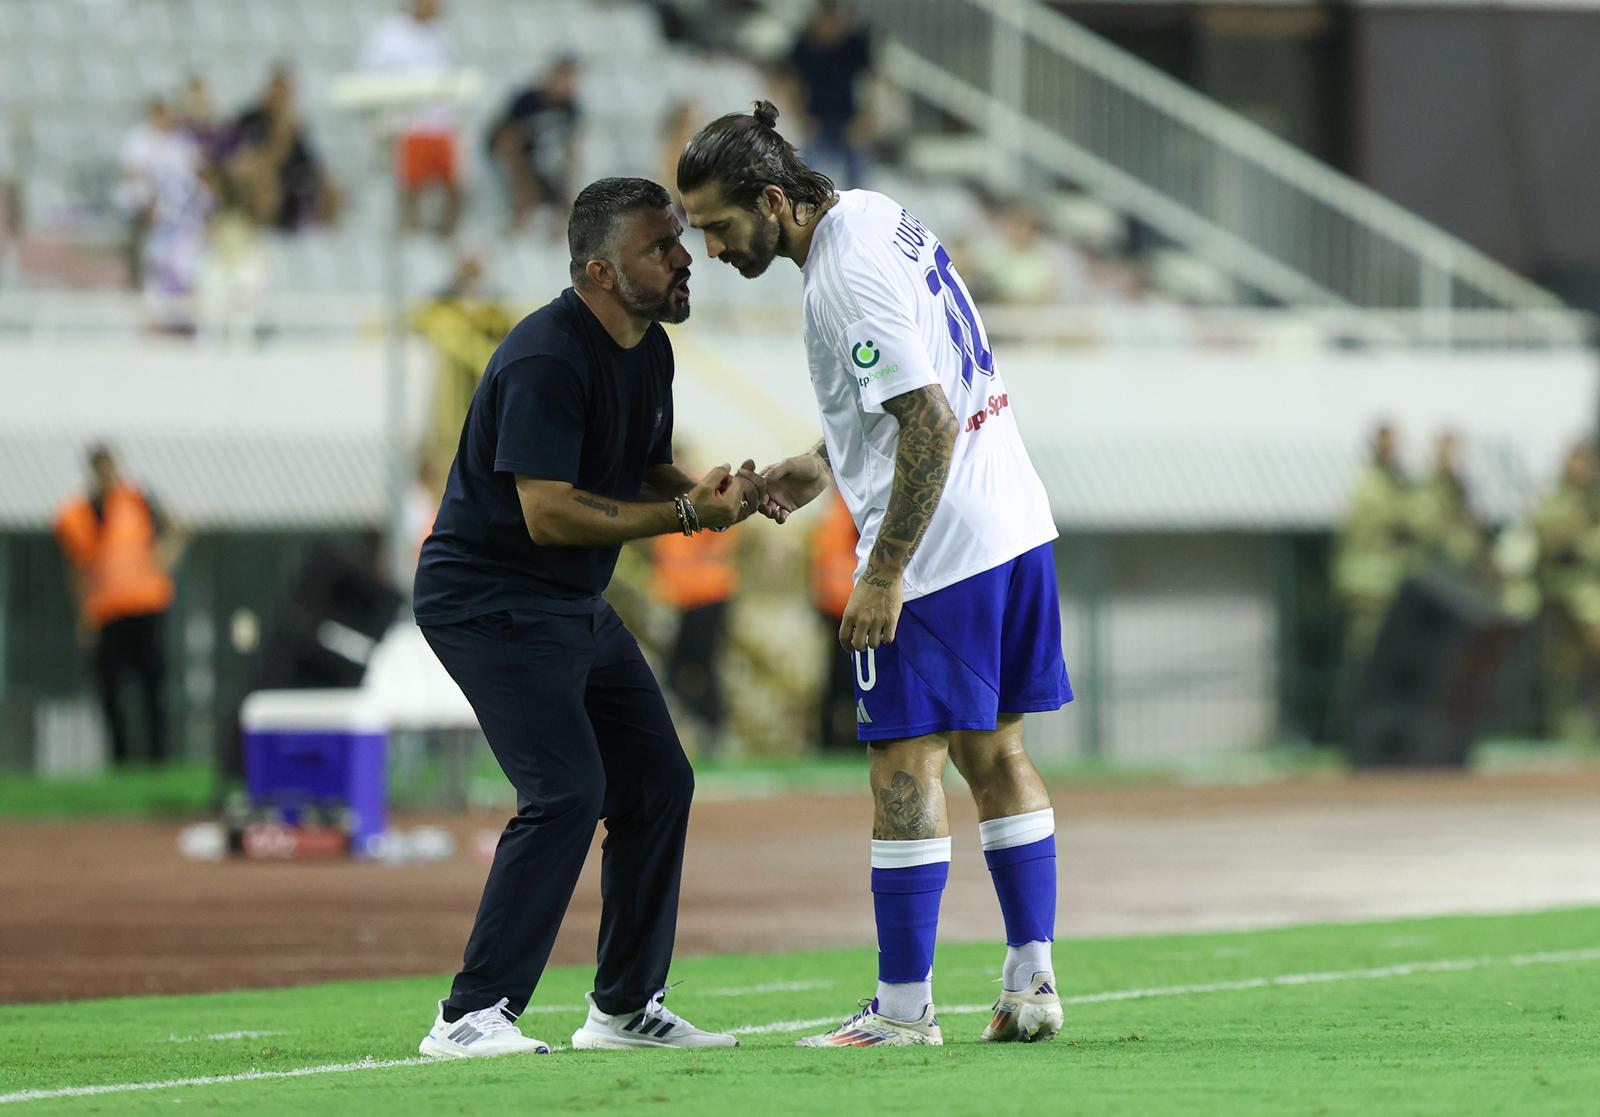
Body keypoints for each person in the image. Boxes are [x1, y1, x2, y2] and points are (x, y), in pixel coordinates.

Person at [678, 101, 1071, 1047]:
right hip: (1013, 518)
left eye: (722, 227)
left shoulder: (840, 276)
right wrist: (826, 460)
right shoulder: (873, 213)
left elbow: (926, 421)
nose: (715, 251)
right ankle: (1031, 983)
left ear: (773, 199)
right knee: (999, 755)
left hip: (937, 553)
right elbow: (914, 389)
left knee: (904, 764)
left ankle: (902, 1011)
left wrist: (884, 570)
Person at [411, 177, 761, 1058]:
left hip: (565, 599)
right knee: (567, 789)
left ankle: (623, 1008)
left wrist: (710, 489)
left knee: (658, 782)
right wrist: (687, 519)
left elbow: (640, 463)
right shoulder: (544, 357)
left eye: (681, 240)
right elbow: (549, 512)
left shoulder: (650, 347)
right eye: (662, 247)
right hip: (488, 597)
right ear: (601, 271)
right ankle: (469, 1016)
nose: (687, 258)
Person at [54, 445, 185, 766]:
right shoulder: (81, 513)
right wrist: (84, 617)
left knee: (153, 688)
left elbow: (179, 527)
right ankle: (121, 759)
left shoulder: (138, 500)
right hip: (108, 612)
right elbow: (77, 569)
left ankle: (158, 759)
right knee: (110, 690)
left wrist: (163, 559)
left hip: (145, 607)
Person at [361, 0, 462, 236]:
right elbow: (368, 80)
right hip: (407, 125)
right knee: (411, 184)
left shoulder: (442, 36)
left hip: (441, 126)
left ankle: (442, 237)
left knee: (457, 187)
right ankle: (410, 233)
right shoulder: (390, 35)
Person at [1333, 423, 1416, 683]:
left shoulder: (1385, 483)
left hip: (1381, 581)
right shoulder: (1375, 487)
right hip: (1372, 584)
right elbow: (1406, 520)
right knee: (1370, 657)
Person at [1533, 443, 1600, 740]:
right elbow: (1561, 544)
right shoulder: (1557, 503)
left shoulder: (1591, 502)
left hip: (1588, 591)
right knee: (1564, 669)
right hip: (1566, 592)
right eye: (1579, 464)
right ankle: (1558, 730)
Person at [233, 65, 341, 231]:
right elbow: (244, 154)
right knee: (263, 179)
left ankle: (322, 238)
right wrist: (281, 135)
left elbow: (309, 162)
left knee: (332, 191)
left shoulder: (294, 127)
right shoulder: (251, 119)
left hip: (289, 180)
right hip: (258, 181)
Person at [784, 1, 875, 189]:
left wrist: (866, 118)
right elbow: (793, 82)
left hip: (849, 118)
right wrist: (801, 117)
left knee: (858, 176)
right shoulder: (805, 44)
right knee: (806, 174)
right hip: (817, 119)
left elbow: (869, 82)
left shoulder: (854, 45)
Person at [487, 56, 581, 233]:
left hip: (541, 159)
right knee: (527, 197)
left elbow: (570, 146)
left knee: (568, 204)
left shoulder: (571, 108)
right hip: (512, 156)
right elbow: (506, 139)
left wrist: (567, 177)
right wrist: (520, 176)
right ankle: (513, 234)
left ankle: (556, 245)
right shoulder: (527, 101)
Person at [809, 488, 860, 750]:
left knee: (854, 678)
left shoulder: (856, 501)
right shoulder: (835, 505)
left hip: (855, 604)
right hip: (833, 605)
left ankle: (858, 738)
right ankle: (829, 740)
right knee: (835, 678)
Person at [1411, 431, 1486, 582]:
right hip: (1435, 574)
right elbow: (1429, 533)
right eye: (1449, 452)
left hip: (1461, 573)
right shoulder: (1427, 492)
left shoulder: (1459, 491)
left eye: (1458, 453)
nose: (1454, 459)